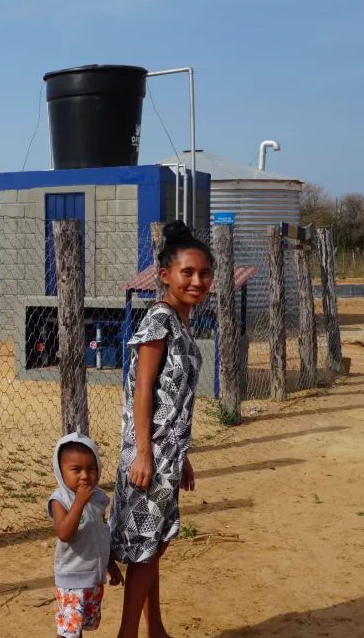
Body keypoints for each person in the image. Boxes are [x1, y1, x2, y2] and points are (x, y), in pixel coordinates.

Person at [109, 220, 213, 638]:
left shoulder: (181, 323)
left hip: (166, 455)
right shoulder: (159, 322)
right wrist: (145, 454)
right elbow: (142, 392)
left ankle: (156, 630)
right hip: (147, 458)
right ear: (165, 275)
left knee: (154, 544)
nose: (197, 281)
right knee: (146, 551)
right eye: (187, 272)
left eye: (204, 273)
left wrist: (180, 455)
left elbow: (175, 399)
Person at [48, 432, 124, 638]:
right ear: (60, 472)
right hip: (72, 579)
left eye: (91, 469)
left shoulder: (98, 499)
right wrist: (79, 503)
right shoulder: (60, 500)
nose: (84, 475)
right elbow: (64, 533)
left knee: (78, 628)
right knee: (68, 632)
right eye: (76, 470)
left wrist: (110, 566)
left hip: (93, 577)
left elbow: (101, 536)